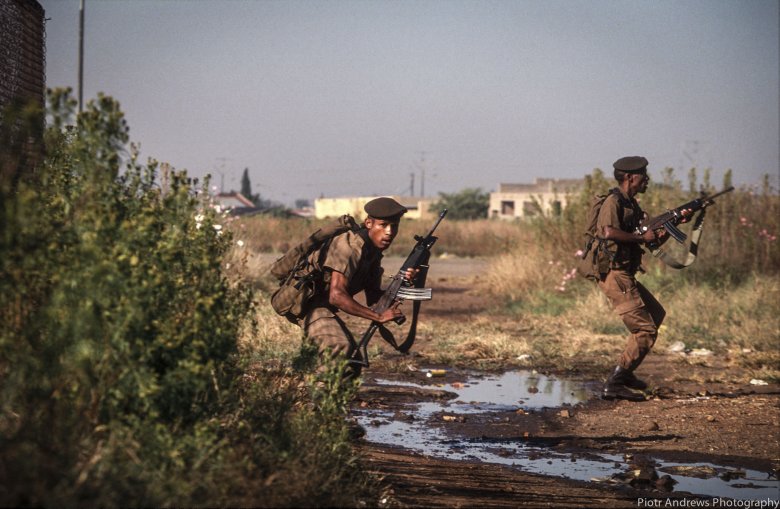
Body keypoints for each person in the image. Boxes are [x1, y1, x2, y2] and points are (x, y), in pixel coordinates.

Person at [597, 156, 689, 401]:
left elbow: (651, 240)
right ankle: (614, 383)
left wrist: (674, 222)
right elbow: (608, 232)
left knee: (656, 315)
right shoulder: (613, 201)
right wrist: (641, 238)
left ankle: (626, 375)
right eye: (643, 175)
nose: (647, 179)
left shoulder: (632, 205)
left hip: (625, 273)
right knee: (645, 329)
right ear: (629, 177)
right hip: (615, 275)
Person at [301, 196, 413, 379]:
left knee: (352, 361)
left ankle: (338, 404)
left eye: (394, 226)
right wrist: (378, 317)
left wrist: (405, 281)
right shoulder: (350, 247)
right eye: (383, 225)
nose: (389, 232)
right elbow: (336, 296)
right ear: (369, 223)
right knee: (339, 347)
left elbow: (375, 298)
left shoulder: (372, 252)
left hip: (323, 305)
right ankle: (317, 402)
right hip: (308, 303)